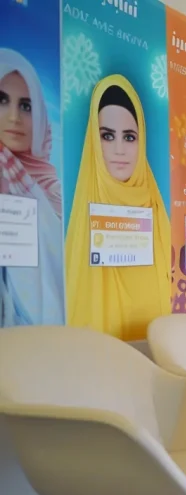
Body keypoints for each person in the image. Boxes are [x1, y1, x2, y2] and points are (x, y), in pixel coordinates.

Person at [65, 75, 171, 340]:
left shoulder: (155, 208)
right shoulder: (85, 210)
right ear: (93, 139)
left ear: (142, 140)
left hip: (156, 356)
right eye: (107, 136)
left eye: (130, 137)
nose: (120, 149)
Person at [0, 48, 64, 326]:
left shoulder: (52, 187)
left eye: (26, 106)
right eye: (2, 100)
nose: (14, 117)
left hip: (46, 336)